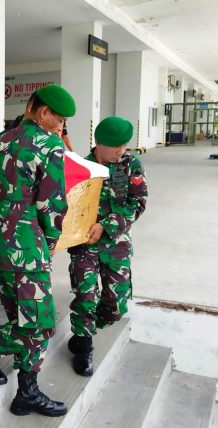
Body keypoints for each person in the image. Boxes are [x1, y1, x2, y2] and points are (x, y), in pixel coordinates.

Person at [0, 85, 76, 417]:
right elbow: (52, 205)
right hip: (27, 248)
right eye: (60, 119)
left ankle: (27, 391)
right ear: (42, 113)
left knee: (22, 316)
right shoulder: (48, 144)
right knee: (38, 323)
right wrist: (51, 241)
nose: (61, 127)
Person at [67, 117, 148, 376]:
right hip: (84, 245)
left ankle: (86, 330)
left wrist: (107, 225)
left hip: (116, 243)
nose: (120, 151)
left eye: (124, 146)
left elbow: (138, 203)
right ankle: (83, 343)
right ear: (98, 143)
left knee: (115, 306)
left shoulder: (131, 164)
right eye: (115, 147)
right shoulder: (82, 166)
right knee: (85, 296)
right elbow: (68, 206)